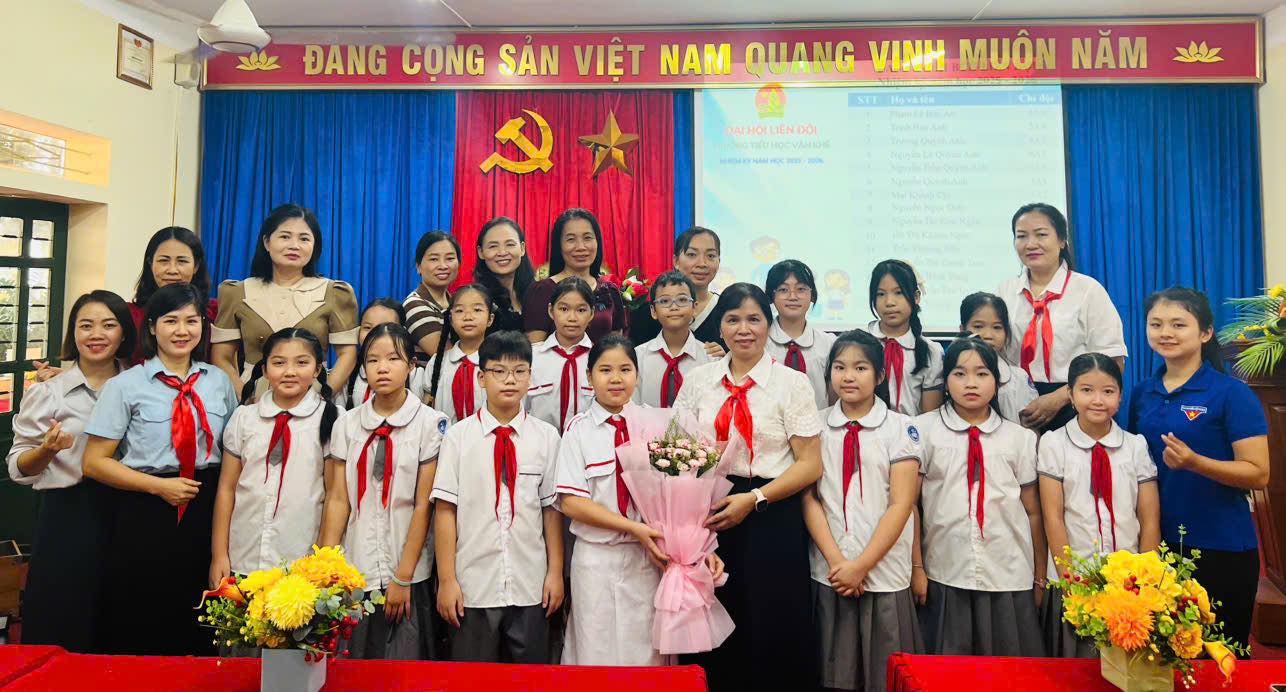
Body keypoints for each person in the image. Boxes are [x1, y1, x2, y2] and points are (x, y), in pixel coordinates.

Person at [672, 282, 823, 692]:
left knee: (773, 623)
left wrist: (754, 499)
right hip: (709, 513)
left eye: (754, 319)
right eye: (733, 319)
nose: (744, 329)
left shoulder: (792, 383)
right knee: (716, 621)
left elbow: (810, 465)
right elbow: (677, 455)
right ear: (719, 327)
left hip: (773, 510)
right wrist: (689, 525)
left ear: (768, 325)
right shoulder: (698, 381)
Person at [82, 283, 238, 655]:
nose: (182, 330)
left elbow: (234, 450)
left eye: (191, 321)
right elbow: (93, 462)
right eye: (171, 321)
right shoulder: (125, 386)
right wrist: (158, 487)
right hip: (145, 507)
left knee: (201, 613)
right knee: (142, 609)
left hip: (207, 505)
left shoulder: (218, 381)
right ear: (152, 327)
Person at [557, 335, 724, 665]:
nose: (616, 378)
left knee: (649, 655)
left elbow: (688, 497)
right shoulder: (578, 429)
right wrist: (634, 527)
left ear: (637, 374)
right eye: (605, 370)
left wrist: (702, 548)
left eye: (625, 369)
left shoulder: (660, 425)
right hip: (597, 560)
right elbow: (571, 502)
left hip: (651, 560)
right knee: (594, 652)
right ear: (589, 376)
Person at [1128, 287, 1269, 649]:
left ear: (1205, 333)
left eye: (1178, 324)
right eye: (1156, 324)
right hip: (1157, 545)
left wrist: (1195, 463)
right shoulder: (1142, 394)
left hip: (1222, 546)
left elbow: (1259, 473)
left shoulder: (1231, 393)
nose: (1166, 332)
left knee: (1219, 656)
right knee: (1161, 658)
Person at [7, 290, 135, 652]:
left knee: (120, 614)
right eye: (86, 325)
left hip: (128, 510)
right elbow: (18, 466)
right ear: (73, 333)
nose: (96, 335)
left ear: (123, 333)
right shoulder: (49, 392)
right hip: (68, 513)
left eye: (108, 325)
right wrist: (47, 450)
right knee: (62, 616)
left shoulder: (140, 385)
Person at [432, 330, 565, 664]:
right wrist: (447, 580)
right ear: (481, 377)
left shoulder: (547, 437)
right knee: (474, 680)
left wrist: (554, 573)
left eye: (519, 371)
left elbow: (551, 511)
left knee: (530, 680)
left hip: (531, 584)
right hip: (473, 586)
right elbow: (445, 511)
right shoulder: (458, 438)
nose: (510, 380)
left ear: (530, 377)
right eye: (499, 371)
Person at [802, 330, 923, 691]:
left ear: (880, 375)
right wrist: (839, 562)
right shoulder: (814, 425)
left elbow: (902, 504)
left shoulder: (901, 428)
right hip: (830, 571)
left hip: (883, 570)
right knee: (831, 672)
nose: (848, 376)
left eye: (860, 367)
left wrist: (861, 565)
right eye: (839, 367)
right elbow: (810, 499)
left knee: (885, 675)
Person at [319, 323, 446, 660]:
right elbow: (338, 499)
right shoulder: (347, 423)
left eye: (393, 358)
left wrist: (402, 578)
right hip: (355, 565)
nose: (382, 368)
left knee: (403, 665)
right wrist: (326, 568)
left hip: (408, 569)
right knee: (352, 665)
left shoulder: (430, 423)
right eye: (373, 360)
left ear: (412, 365)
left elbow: (423, 505)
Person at [915, 337, 1046, 657]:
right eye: (959, 374)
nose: (970, 383)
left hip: (1008, 572)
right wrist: (916, 567)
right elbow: (910, 507)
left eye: (982, 373)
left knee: (1009, 671)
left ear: (997, 381)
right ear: (945, 381)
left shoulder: (1019, 438)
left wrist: (1040, 577)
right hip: (945, 570)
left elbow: (1033, 512)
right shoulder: (923, 431)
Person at [1040, 352, 1160, 658]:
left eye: (1108, 391)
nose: (1097, 400)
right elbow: (1053, 517)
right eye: (1086, 390)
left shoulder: (1135, 446)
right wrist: (1069, 580)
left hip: (1128, 581)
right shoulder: (1054, 443)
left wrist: (1145, 578)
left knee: (1126, 664)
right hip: (1075, 578)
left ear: (1120, 397)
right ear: (1070, 395)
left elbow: (1149, 519)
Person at [210, 329, 340, 590]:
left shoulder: (332, 419)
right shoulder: (245, 418)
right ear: (265, 369)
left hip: (301, 561)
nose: (289, 372)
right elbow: (226, 489)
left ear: (317, 369)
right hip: (243, 556)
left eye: (301, 362)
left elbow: (334, 495)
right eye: (279, 362)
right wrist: (219, 554)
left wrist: (324, 562)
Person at [998, 203, 1127, 432]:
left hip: (1075, 402)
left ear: (1062, 240)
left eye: (1041, 234)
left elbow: (1113, 361)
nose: (1031, 244)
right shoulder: (1004, 292)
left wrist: (1060, 398)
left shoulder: (1088, 290)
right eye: (1022, 236)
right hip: (1016, 404)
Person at [211, 203, 359, 395]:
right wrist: (244, 397)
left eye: (304, 238)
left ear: (314, 246)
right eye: (285, 236)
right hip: (255, 397)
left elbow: (348, 354)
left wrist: (323, 396)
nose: (294, 245)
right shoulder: (238, 292)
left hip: (313, 397)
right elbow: (221, 356)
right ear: (267, 242)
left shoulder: (334, 292)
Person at [34, 227, 214, 379]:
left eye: (182, 261)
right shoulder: (129, 313)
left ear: (196, 266)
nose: (172, 270)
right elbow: (109, 362)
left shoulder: (214, 311)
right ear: (150, 263)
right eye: (163, 261)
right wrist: (67, 380)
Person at [523, 208, 626, 344]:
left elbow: (617, 346)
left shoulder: (610, 291)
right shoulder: (542, 291)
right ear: (559, 245)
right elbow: (534, 349)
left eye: (587, 238)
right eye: (571, 239)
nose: (581, 247)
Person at [861, 260, 943, 417]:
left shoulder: (931, 351)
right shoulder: (858, 344)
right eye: (880, 294)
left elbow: (929, 418)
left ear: (916, 297)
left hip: (912, 431)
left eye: (898, 292)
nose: (889, 302)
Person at [630, 226, 726, 356]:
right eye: (692, 255)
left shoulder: (727, 311)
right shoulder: (645, 315)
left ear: (719, 261)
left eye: (711, 255)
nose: (702, 263)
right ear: (675, 261)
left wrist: (727, 360)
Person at [633, 271, 712, 408]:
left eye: (682, 300)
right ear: (653, 311)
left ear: (694, 307)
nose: (674, 307)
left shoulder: (710, 359)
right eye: (664, 301)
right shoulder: (637, 357)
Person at [765, 259, 836, 409]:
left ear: (812, 295)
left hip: (817, 421)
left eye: (801, 289)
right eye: (783, 290)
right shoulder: (760, 342)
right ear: (772, 296)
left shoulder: (828, 343)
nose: (793, 297)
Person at [528, 278, 595, 432]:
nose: (572, 318)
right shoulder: (532, 358)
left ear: (592, 313)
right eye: (564, 309)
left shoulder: (601, 359)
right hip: (541, 442)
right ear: (551, 311)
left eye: (581, 310)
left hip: (588, 443)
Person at [960, 292, 1037, 423]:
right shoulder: (951, 374)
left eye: (997, 327)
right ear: (963, 330)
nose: (988, 335)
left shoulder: (1019, 378)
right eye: (978, 326)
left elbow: (1030, 428)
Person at [337, 298, 428, 409]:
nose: (375, 335)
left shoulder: (419, 377)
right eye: (367, 327)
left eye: (386, 327)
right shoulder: (347, 376)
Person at [425, 284, 494, 423]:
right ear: (450, 319)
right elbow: (427, 409)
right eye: (460, 310)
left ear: (490, 319)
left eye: (477, 310)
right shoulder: (438, 362)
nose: (468, 317)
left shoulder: (497, 362)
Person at [404, 230, 459, 360]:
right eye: (434, 259)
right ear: (418, 266)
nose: (443, 266)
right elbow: (448, 358)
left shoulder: (456, 302)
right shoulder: (414, 304)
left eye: (450, 258)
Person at [473, 216, 534, 334]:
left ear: (522, 248)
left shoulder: (534, 292)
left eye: (510, 244)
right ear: (481, 252)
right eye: (493, 246)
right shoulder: (478, 299)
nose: (502, 252)